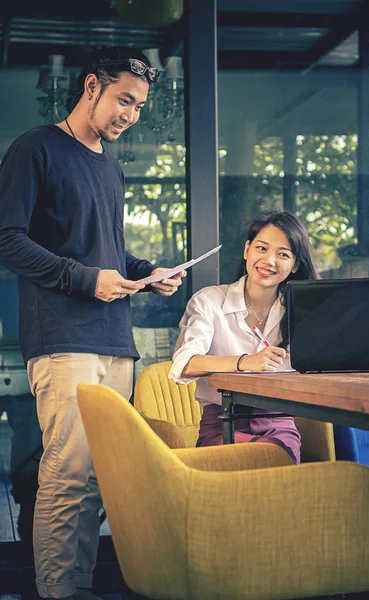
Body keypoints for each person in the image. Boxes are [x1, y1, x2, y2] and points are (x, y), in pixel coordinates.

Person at [0, 46, 185, 600]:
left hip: (114, 339)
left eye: (139, 104)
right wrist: (86, 280)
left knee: (100, 478)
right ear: (91, 87)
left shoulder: (110, 164)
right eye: (124, 99)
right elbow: (7, 240)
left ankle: (77, 588)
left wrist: (147, 271)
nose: (131, 113)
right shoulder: (36, 148)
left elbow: (105, 251)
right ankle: (60, 593)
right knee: (68, 475)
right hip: (62, 338)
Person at [169, 210, 318, 463]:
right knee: (263, 462)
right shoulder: (210, 301)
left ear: (294, 266)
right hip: (222, 421)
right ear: (247, 250)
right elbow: (185, 363)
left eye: (283, 254)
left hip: (279, 421)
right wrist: (245, 361)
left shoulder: (301, 311)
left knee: (277, 462)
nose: (269, 260)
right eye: (261, 248)